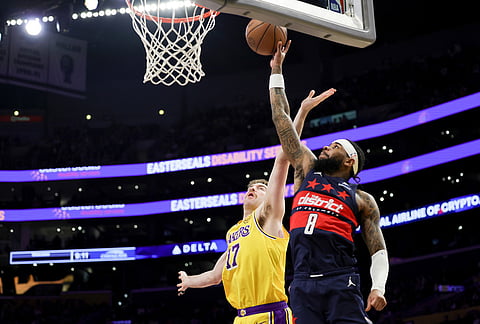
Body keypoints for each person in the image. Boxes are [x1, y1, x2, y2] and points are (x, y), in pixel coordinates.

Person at [177, 89, 336, 323]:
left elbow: (284, 155)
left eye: (261, 188)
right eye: (251, 187)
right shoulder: (233, 233)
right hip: (241, 317)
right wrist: (190, 281)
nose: (253, 189)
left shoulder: (268, 216)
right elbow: (214, 276)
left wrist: (301, 112)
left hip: (270, 313)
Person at [268, 40, 389, 323]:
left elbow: (378, 248)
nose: (325, 147)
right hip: (301, 281)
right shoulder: (306, 168)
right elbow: (280, 118)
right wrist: (276, 70)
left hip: (340, 279)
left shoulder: (361, 199)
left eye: (334, 146)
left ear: (349, 161)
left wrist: (378, 287)